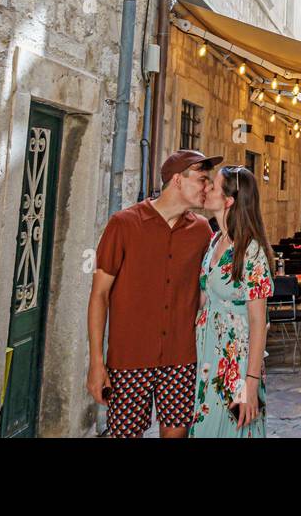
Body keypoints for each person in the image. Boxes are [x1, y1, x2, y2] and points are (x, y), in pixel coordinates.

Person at [87, 149, 220, 438]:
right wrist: (96, 362)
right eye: (202, 179)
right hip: (129, 358)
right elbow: (99, 296)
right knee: (125, 434)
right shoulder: (123, 224)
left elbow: (207, 289)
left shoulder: (201, 231)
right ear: (177, 180)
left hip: (183, 357)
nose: (207, 187)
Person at [189, 165, 275, 438]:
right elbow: (203, 300)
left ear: (229, 201)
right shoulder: (215, 241)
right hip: (206, 358)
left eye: (212, 186)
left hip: (235, 363)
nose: (206, 189)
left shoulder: (251, 251)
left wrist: (250, 383)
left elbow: (258, 321)